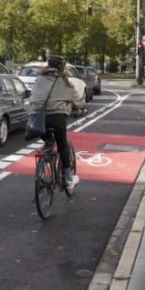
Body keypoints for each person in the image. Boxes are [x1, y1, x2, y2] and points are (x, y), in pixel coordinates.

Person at [28, 55, 85, 190]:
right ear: (62, 67)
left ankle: (47, 145)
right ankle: (69, 179)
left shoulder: (39, 80)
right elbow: (77, 100)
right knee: (62, 145)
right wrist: (81, 108)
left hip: (37, 119)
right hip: (57, 118)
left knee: (48, 138)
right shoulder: (64, 81)